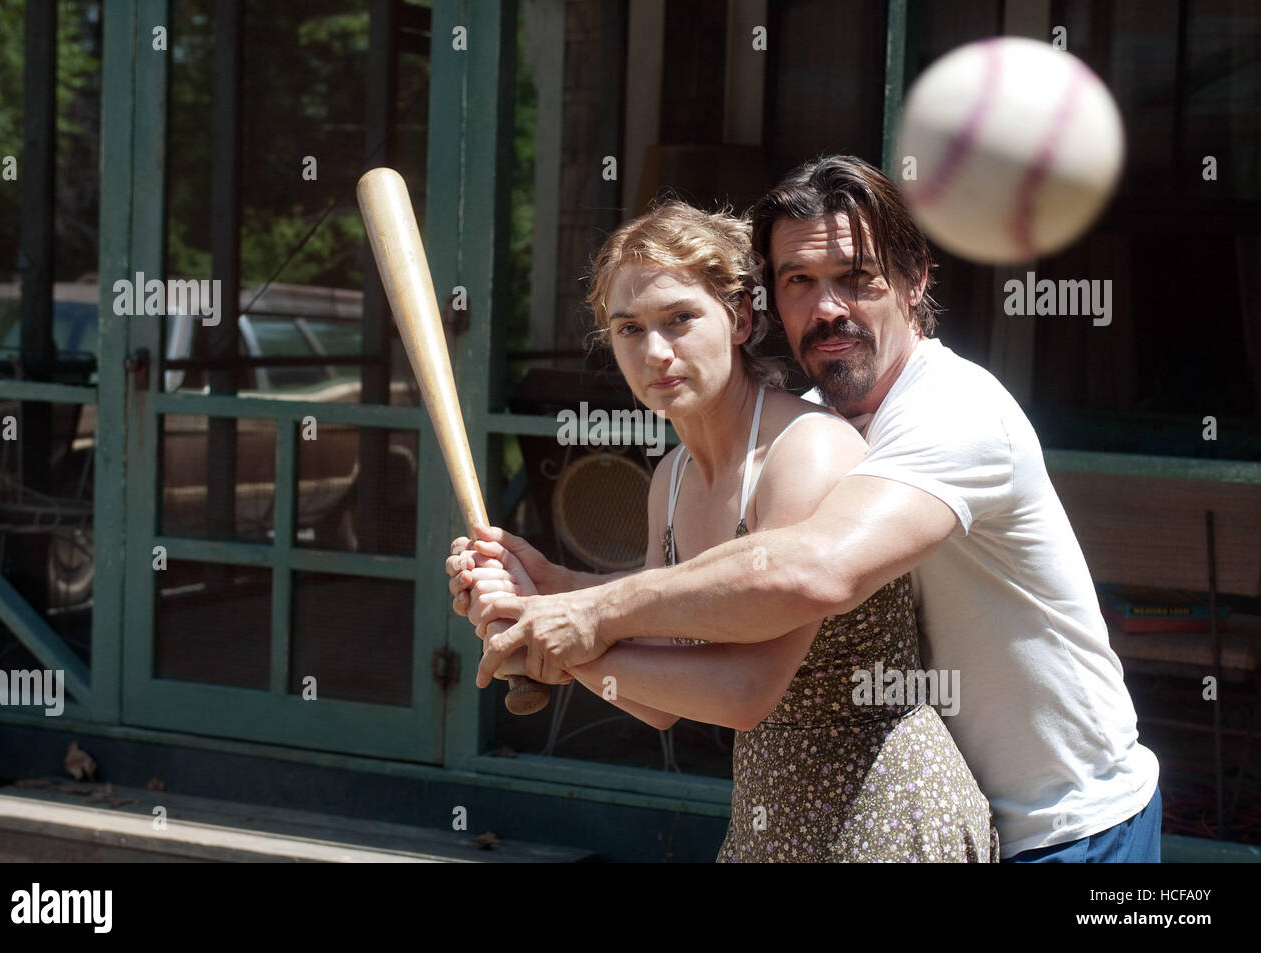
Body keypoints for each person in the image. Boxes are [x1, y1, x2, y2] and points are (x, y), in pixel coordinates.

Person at [463, 156, 1161, 863]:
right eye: (799, 281)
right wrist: (546, 604)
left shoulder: (950, 412)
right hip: (815, 818)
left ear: (916, 278)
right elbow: (668, 659)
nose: (827, 308)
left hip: (1065, 818)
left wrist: (584, 613)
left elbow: (809, 572)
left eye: (857, 277)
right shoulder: (760, 441)